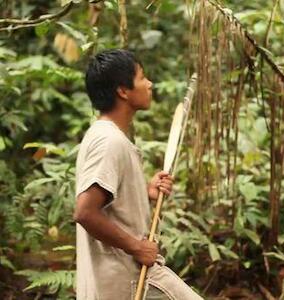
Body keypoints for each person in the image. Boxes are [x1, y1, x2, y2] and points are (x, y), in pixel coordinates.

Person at [74, 49, 203, 300]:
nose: (149, 83)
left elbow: (109, 203)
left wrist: (145, 193)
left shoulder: (106, 136)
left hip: (124, 278)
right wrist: (137, 247)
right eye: (142, 77)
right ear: (123, 91)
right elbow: (85, 212)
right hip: (130, 279)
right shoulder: (108, 141)